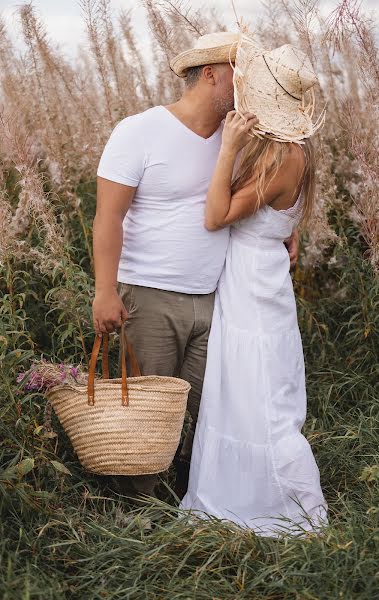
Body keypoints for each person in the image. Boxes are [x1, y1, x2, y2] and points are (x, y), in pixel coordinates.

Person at [92, 32, 299, 501]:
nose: (247, 85)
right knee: (144, 410)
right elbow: (108, 216)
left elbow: (262, 193)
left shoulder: (241, 138)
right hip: (149, 294)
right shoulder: (139, 131)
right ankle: (134, 511)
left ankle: (189, 498)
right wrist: (105, 290)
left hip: (218, 297)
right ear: (210, 75)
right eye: (238, 74)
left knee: (207, 409)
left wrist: (287, 227)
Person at [179, 36, 329, 537]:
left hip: (255, 294)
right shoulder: (287, 150)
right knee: (237, 393)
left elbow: (216, 216)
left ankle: (289, 507)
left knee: (263, 397)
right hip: (247, 285)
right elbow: (278, 214)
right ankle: (233, 497)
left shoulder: (284, 157)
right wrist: (290, 232)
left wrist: (228, 148)